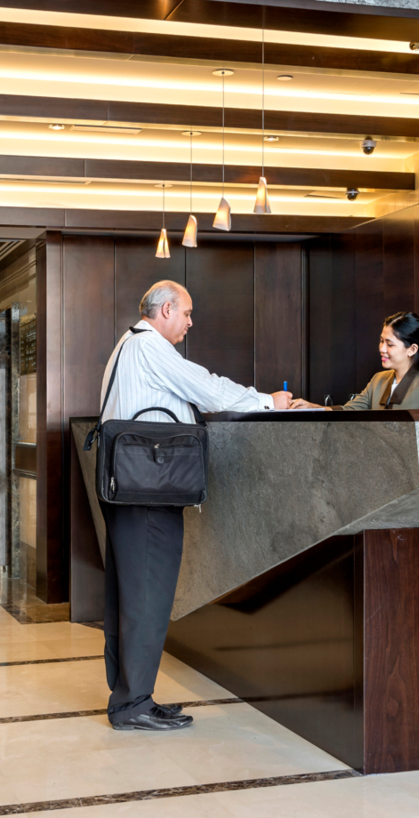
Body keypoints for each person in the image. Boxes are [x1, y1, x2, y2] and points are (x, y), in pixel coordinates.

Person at [99, 280, 292, 732]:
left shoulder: (127, 343)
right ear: (165, 310)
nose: (190, 322)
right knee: (147, 596)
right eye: (186, 313)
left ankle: (132, 695)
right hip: (148, 492)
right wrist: (268, 401)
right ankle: (131, 705)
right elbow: (207, 388)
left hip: (130, 489)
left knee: (130, 596)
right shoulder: (150, 347)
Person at [292, 311, 419, 410]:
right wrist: (314, 408)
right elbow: (349, 410)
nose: (382, 348)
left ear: (412, 349)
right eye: (381, 341)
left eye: (390, 344)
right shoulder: (379, 380)